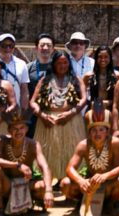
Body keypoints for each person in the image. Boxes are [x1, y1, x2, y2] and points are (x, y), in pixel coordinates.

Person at [61, 102, 119, 216]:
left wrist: (105, 176)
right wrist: (81, 181)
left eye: (101, 130)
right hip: (89, 184)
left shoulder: (115, 143)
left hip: (108, 184)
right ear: (89, 132)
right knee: (65, 183)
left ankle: (111, 204)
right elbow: (70, 168)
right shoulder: (83, 145)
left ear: (107, 131)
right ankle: (81, 202)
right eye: (94, 130)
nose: (97, 134)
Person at [30, 51, 86, 185]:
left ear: (69, 64)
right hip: (48, 122)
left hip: (71, 121)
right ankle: (48, 182)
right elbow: (32, 102)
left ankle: (69, 182)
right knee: (49, 152)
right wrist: (42, 115)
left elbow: (84, 99)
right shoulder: (45, 80)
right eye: (59, 63)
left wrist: (70, 113)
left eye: (65, 62)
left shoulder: (76, 79)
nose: (62, 65)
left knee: (69, 152)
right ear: (53, 64)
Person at [0, 109, 53, 216]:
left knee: (43, 186)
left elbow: (44, 167)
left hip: (27, 184)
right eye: (15, 128)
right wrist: (17, 165)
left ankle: (36, 205)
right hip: (7, 185)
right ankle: (0, 211)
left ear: (27, 129)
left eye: (22, 128)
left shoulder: (33, 144)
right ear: (9, 130)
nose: (18, 132)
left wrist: (48, 191)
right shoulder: (2, 140)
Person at [0, 33, 29, 109]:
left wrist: (24, 109)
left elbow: (24, 90)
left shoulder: (21, 64)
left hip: (15, 109)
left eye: (11, 46)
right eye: (4, 45)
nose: (8, 48)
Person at [83, 45, 118, 113]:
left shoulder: (116, 76)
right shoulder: (88, 76)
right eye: (100, 57)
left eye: (106, 57)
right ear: (96, 58)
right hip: (92, 111)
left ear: (110, 58)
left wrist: (108, 102)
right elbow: (82, 96)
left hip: (110, 111)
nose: (103, 59)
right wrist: (91, 102)